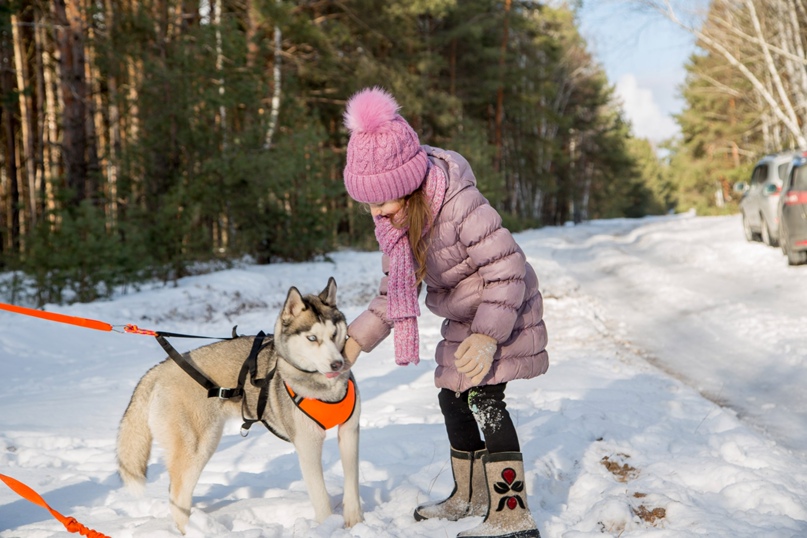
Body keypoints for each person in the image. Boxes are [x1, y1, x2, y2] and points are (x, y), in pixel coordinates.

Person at [340, 86, 548, 538]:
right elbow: (394, 292)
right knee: (452, 396)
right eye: (368, 203)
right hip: (465, 316)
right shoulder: (399, 227)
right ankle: (470, 497)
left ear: (408, 186)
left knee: (483, 399)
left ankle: (512, 515)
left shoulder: (460, 205)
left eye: (381, 201)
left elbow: (507, 268)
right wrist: (354, 342)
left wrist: (488, 335)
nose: (375, 212)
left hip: (504, 310)